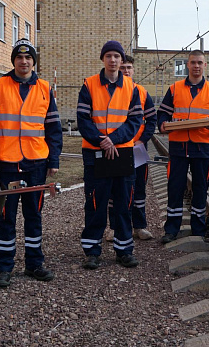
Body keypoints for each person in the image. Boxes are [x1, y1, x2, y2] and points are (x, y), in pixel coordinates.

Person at [0, 38, 62, 287]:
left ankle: (34, 264)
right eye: (19, 57)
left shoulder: (45, 88)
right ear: (13, 60)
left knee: (34, 215)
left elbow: (53, 128)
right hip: (6, 163)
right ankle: (4, 267)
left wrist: (54, 159)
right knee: (5, 216)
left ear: (33, 62)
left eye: (28, 58)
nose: (24, 61)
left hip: (36, 162)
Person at [77, 41, 142, 269]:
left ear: (122, 60)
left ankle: (124, 250)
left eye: (116, 56)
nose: (113, 60)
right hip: (95, 153)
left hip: (122, 152)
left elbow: (135, 121)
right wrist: (102, 141)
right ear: (102, 59)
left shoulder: (132, 88)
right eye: (109, 56)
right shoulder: (89, 85)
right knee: (95, 203)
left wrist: (113, 139)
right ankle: (92, 252)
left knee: (123, 203)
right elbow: (83, 120)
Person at [157, 50, 209, 244]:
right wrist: (162, 124)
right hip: (178, 147)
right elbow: (163, 113)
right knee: (175, 188)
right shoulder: (175, 89)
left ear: (205, 65)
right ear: (187, 65)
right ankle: (171, 229)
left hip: (202, 147)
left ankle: (198, 229)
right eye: (193, 62)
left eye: (200, 63)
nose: (196, 66)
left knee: (200, 188)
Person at [105, 55, 157, 241]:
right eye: (123, 68)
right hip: (116, 148)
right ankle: (114, 228)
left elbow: (151, 120)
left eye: (129, 68)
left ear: (133, 70)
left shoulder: (141, 92)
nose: (126, 71)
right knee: (114, 189)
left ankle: (139, 226)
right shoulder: (111, 91)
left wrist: (142, 140)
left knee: (139, 187)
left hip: (137, 148)